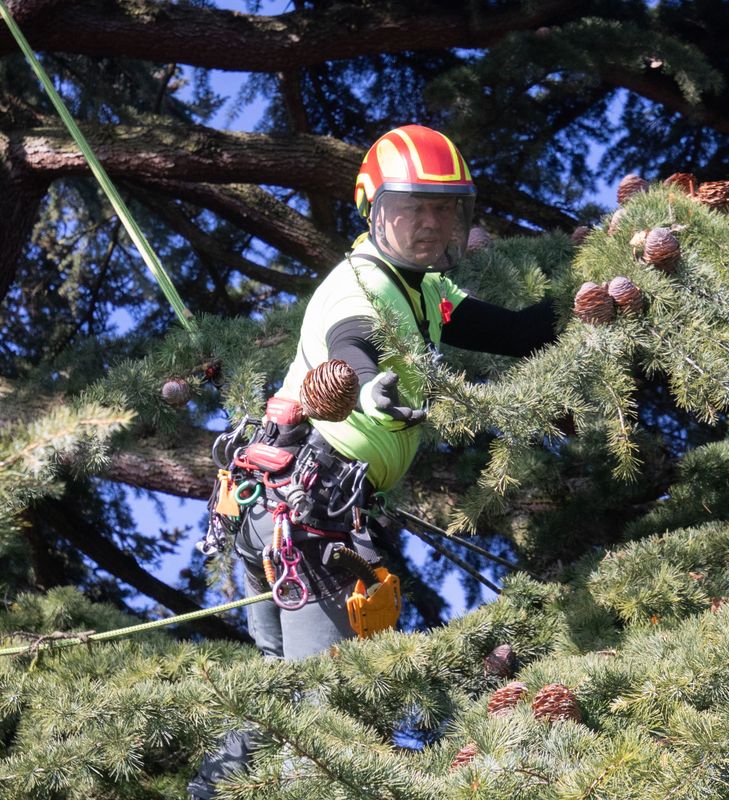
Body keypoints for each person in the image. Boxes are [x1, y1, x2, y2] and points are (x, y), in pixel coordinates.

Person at [188, 124, 556, 799]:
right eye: (411, 207)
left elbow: (518, 332)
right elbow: (350, 338)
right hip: (307, 514)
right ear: (374, 211)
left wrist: (606, 290)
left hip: (284, 508)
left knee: (286, 683)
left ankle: (209, 791)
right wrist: (367, 379)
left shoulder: (426, 294)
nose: (428, 223)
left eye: (443, 208)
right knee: (325, 708)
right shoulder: (360, 282)